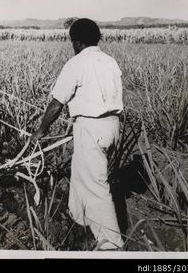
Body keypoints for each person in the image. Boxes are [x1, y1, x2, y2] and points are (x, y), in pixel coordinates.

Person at [30, 18, 124, 250]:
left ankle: (111, 244)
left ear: (77, 42)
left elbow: (56, 103)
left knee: (96, 184)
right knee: (81, 173)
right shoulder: (109, 61)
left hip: (90, 128)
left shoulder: (77, 63)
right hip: (113, 125)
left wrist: (40, 131)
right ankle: (78, 216)